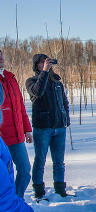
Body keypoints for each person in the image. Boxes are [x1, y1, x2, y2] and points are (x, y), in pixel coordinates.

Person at [26, 54, 70, 199]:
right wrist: (44, 72)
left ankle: (60, 190)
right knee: (40, 160)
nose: (45, 65)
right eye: (41, 63)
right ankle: (38, 192)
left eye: (46, 62)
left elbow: (64, 102)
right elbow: (38, 92)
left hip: (59, 127)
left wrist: (66, 119)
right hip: (42, 128)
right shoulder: (31, 81)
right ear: (36, 66)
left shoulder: (57, 81)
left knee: (59, 161)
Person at [0, 49, 33, 199]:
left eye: (1, 55)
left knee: (25, 170)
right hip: (2, 138)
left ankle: (16, 199)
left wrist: (27, 129)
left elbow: (20, 106)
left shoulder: (10, 78)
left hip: (17, 136)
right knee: (4, 175)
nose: (0, 58)